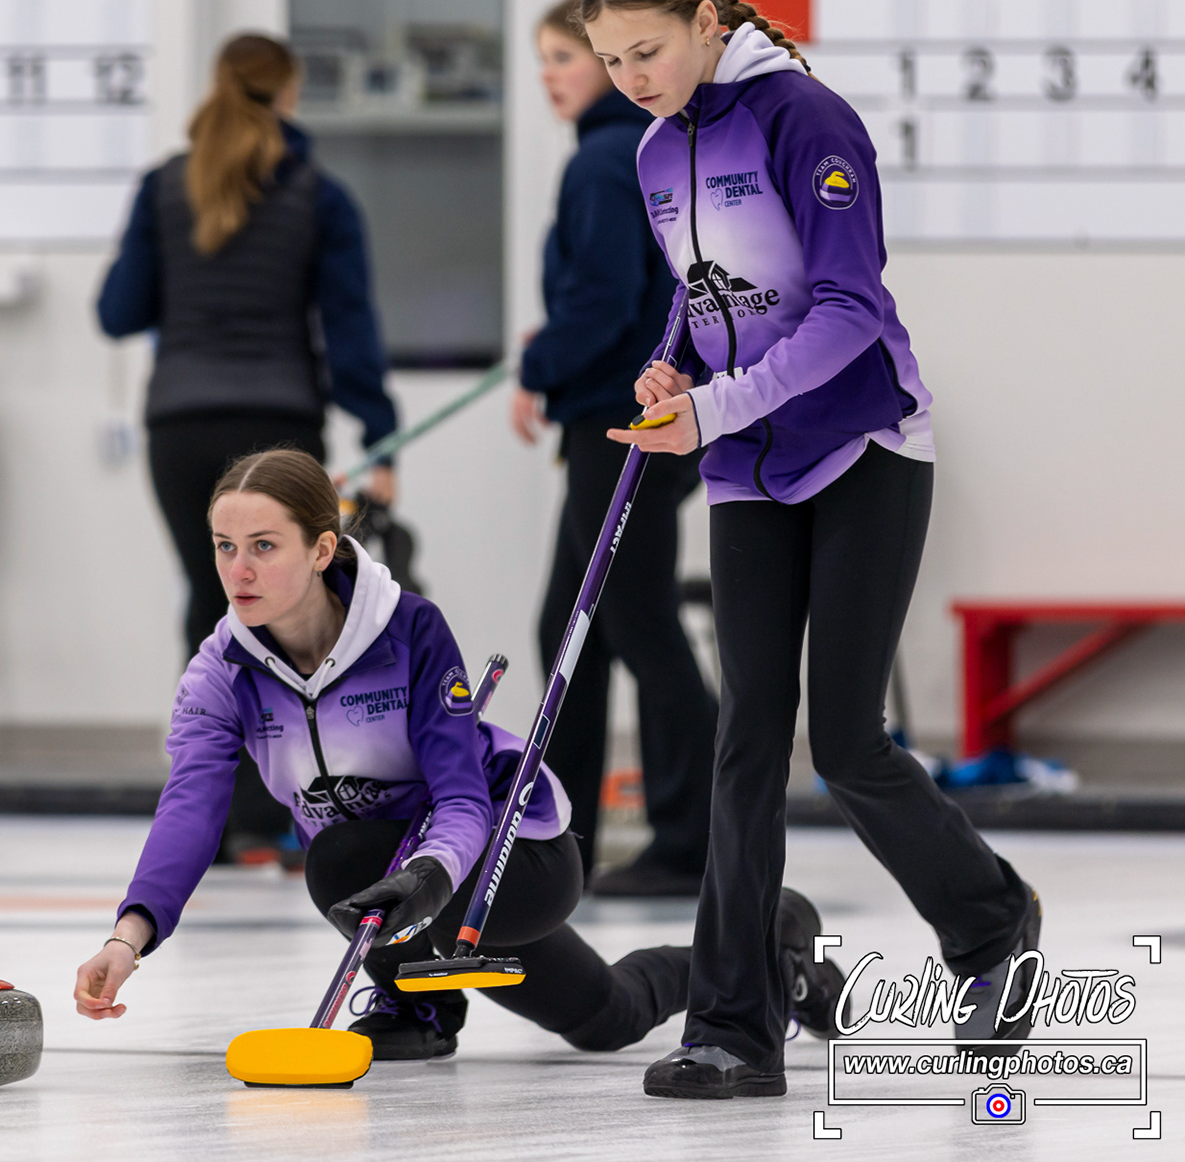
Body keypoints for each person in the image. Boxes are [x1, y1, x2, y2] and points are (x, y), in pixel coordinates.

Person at [585, 0, 1040, 1099]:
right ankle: (735, 1026)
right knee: (745, 740)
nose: (631, 78)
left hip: (861, 445)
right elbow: (709, 303)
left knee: (843, 742)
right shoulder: (653, 152)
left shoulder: (805, 119)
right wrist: (677, 374)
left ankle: (992, 923)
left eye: (647, 50)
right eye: (611, 60)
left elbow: (846, 308)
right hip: (746, 460)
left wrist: (718, 403)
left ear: (705, 21)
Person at [71, 449, 845, 1061]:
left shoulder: (408, 630)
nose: (238, 570)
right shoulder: (221, 672)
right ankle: (770, 947)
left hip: (509, 857)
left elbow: (463, 795)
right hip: (388, 879)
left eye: (263, 546)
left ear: (322, 548)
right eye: (225, 546)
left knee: (347, 857)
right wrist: (127, 936)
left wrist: (431, 876)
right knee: (604, 1016)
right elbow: (190, 807)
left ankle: (421, 999)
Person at [97, 33, 400, 865]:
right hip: (277, 429)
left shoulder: (165, 187)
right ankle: (307, 817)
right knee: (299, 619)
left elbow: (118, 311)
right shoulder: (318, 195)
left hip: (181, 428)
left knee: (213, 605)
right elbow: (349, 328)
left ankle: (221, 824)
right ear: (290, 95)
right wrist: (379, 435)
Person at [512, 0, 717, 898]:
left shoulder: (602, 161)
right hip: (633, 416)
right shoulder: (640, 150)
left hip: (622, 420)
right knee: (573, 629)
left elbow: (600, 302)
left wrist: (537, 364)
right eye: (547, 59)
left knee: (635, 623)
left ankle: (692, 840)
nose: (551, 75)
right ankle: (568, 843)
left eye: (567, 57)